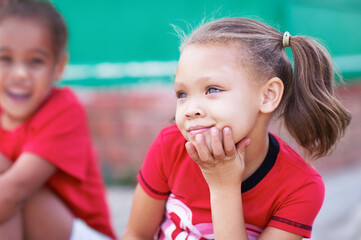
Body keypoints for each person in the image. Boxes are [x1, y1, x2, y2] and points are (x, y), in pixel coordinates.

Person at [123, 17, 351, 240]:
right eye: (182, 94)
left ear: (268, 95)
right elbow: (136, 234)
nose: (190, 109)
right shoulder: (170, 146)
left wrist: (223, 187)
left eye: (212, 89)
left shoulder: (300, 188)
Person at [0, 1, 116, 239]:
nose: (19, 73)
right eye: (5, 58)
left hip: (83, 234)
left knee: (14, 193)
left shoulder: (64, 109)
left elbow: (13, 193)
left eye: (36, 61)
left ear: (58, 67)